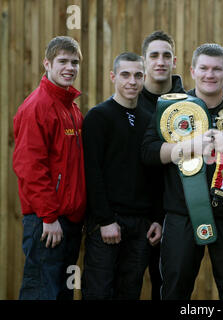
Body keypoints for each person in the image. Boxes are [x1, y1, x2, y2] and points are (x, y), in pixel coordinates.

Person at [142, 43, 223, 300]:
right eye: (204, 68)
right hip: (182, 214)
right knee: (175, 290)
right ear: (193, 71)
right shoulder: (174, 110)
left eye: (217, 69)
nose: (210, 74)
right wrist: (186, 147)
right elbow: (149, 152)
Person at [81, 52, 162, 300]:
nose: (132, 81)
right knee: (98, 292)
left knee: (129, 293)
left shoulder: (150, 120)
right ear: (113, 76)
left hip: (140, 226)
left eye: (138, 75)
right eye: (125, 75)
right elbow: (91, 171)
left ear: (144, 78)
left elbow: (156, 175)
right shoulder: (98, 116)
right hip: (106, 223)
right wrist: (105, 220)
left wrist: (156, 218)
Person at [12, 36, 85, 300]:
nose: (70, 68)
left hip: (68, 222)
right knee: (41, 293)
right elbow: (29, 168)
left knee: (61, 294)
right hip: (47, 223)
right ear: (47, 63)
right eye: (62, 61)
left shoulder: (71, 109)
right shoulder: (37, 107)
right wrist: (49, 217)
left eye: (74, 62)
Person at [139, 30, 185, 300]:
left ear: (174, 61)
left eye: (166, 55)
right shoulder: (129, 101)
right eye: (154, 55)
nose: (160, 61)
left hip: (171, 214)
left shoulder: (190, 104)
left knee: (167, 289)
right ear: (144, 61)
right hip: (131, 214)